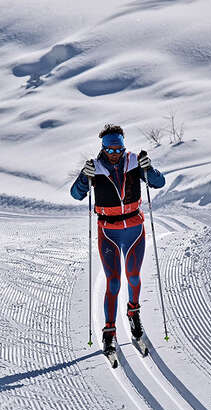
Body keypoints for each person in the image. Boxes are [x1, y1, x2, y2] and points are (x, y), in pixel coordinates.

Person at [70, 124, 166, 355]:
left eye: (118, 149)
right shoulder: (95, 167)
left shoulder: (135, 161)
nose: (114, 154)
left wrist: (149, 168)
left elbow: (158, 183)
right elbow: (76, 194)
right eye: (110, 149)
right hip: (109, 233)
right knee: (113, 282)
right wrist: (85, 177)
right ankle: (109, 333)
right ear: (103, 148)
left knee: (133, 276)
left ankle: (134, 314)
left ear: (124, 147)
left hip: (134, 230)